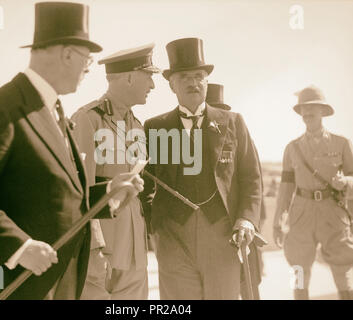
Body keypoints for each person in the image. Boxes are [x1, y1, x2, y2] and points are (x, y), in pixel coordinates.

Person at [0, 2, 143, 300]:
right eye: (87, 61)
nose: (87, 70)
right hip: (16, 285)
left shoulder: (52, 110)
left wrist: (107, 195)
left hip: (55, 283)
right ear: (67, 54)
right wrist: (18, 247)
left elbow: (57, 194)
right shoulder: (6, 108)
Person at [142, 38, 262, 299]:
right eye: (184, 76)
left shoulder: (233, 122)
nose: (192, 82)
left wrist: (246, 218)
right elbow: (145, 181)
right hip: (172, 235)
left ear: (207, 81)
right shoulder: (154, 127)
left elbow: (251, 177)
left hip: (222, 232)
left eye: (199, 76)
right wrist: (157, 225)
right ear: (172, 84)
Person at [71, 43, 160, 299]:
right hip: (102, 249)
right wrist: (94, 248)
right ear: (129, 77)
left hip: (133, 251)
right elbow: (81, 192)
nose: (152, 86)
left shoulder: (137, 126)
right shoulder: (87, 120)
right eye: (149, 77)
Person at [273, 85, 353, 300]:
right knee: (297, 267)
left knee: (343, 265)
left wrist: (344, 182)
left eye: (312, 108)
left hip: (332, 214)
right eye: (303, 109)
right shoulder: (292, 148)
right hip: (301, 214)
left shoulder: (342, 143)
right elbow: (285, 188)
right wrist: (278, 220)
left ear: (323, 111)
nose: (307, 113)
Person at [206, 82, 266, 299]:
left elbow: (254, 186)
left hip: (242, 231)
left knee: (249, 288)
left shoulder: (240, 140)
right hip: (214, 236)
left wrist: (252, 224)